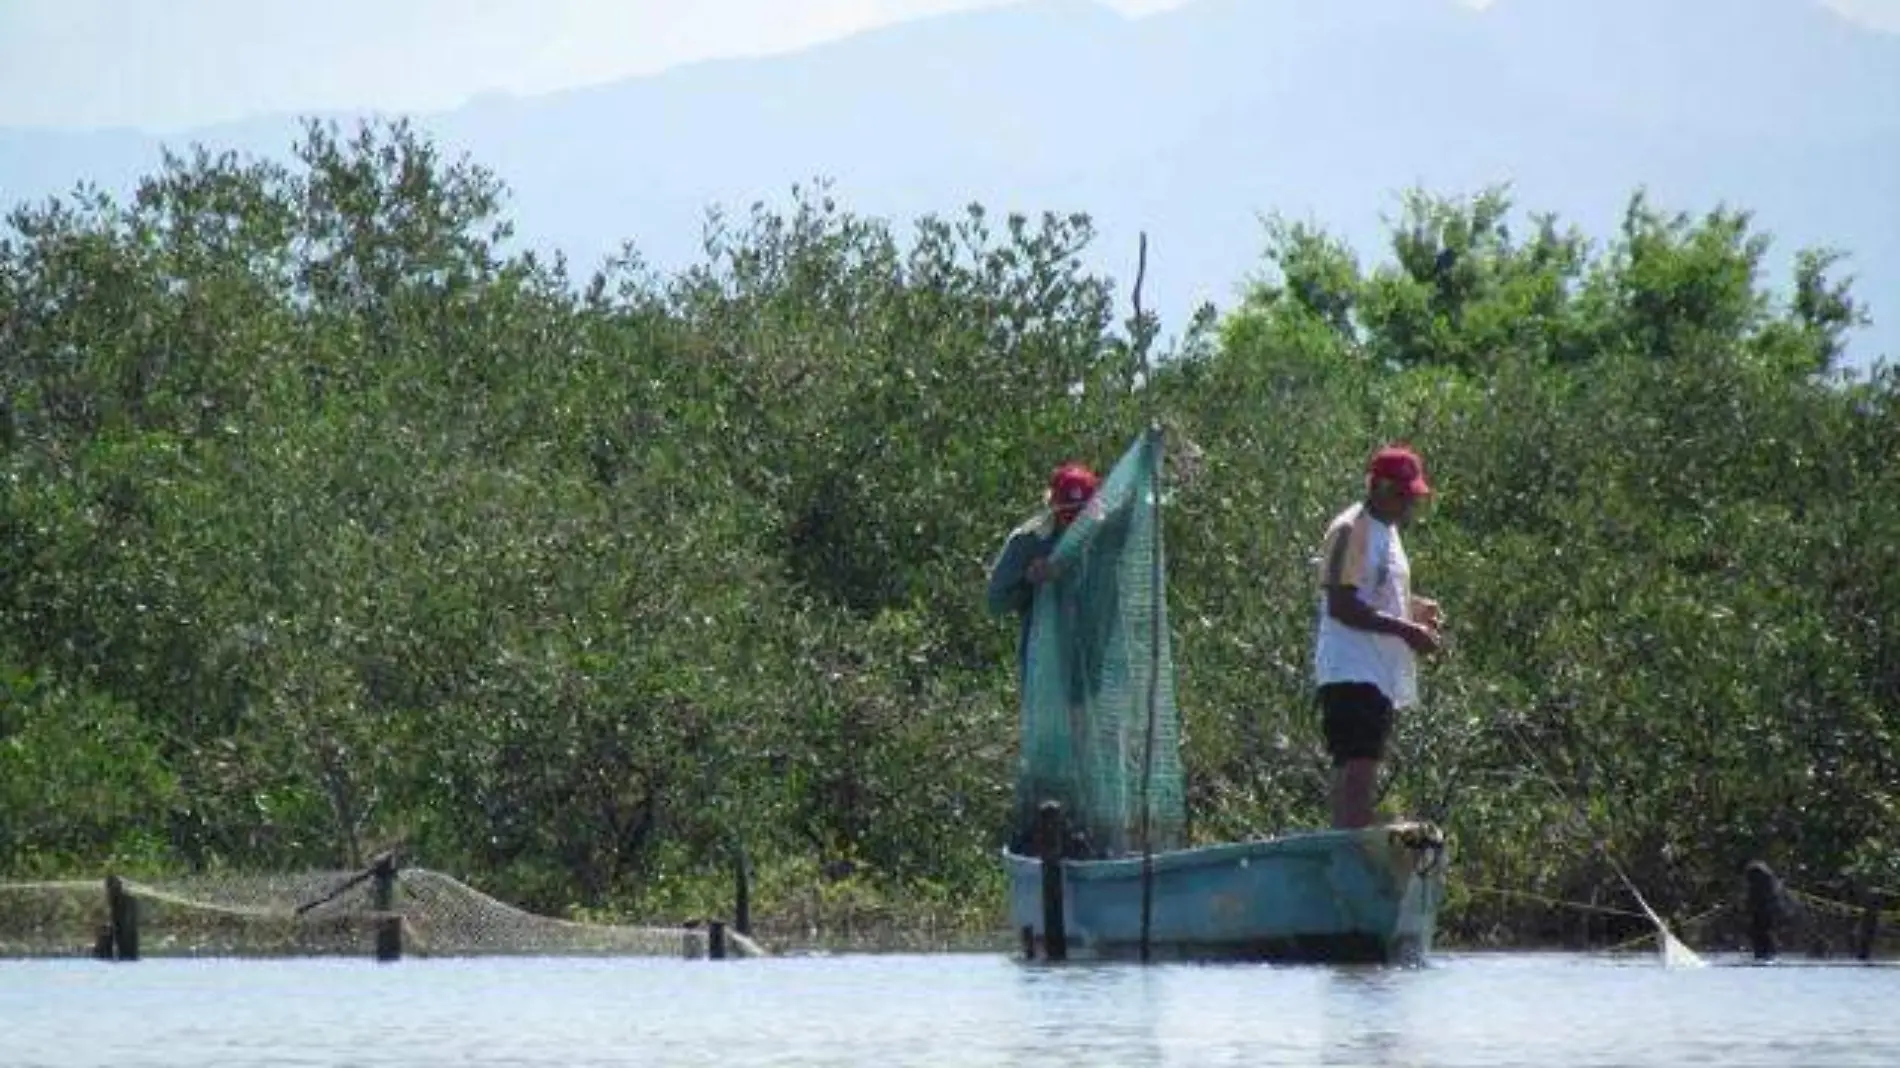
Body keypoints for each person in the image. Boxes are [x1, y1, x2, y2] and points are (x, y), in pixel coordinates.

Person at [1312, 443, 1443, 830]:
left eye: (1411, 496)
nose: (1408, 505)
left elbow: (1374, 590)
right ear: (1377, 487)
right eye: (1400, 495)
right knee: (1357, 766)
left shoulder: (1388, 532)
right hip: (1351, 668)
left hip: (1377, 671)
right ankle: (1351, 855)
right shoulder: (1349, 529)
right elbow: (1340, 602)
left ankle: (1351, 848)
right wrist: (1406, 629)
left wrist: (1414, 608)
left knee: (1364, 764)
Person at [986, 462, 1101, 675]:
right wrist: (1029, 581)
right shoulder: (1028, 540)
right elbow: (996, 601)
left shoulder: (1104, 537)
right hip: (1043, 665)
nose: (1074, 525)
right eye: (1068, 517)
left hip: (1091, 663)